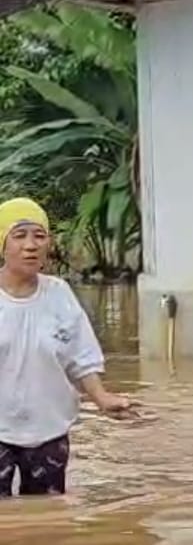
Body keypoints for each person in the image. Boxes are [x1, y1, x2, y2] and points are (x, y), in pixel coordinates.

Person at [0, 198, 133, 498]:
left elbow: (80, 356)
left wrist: (102, 398)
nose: (31, 245)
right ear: (2, 244)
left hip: (49, 429)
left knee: (48, 518)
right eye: (19, 236)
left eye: (39, 235)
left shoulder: (59, 294)